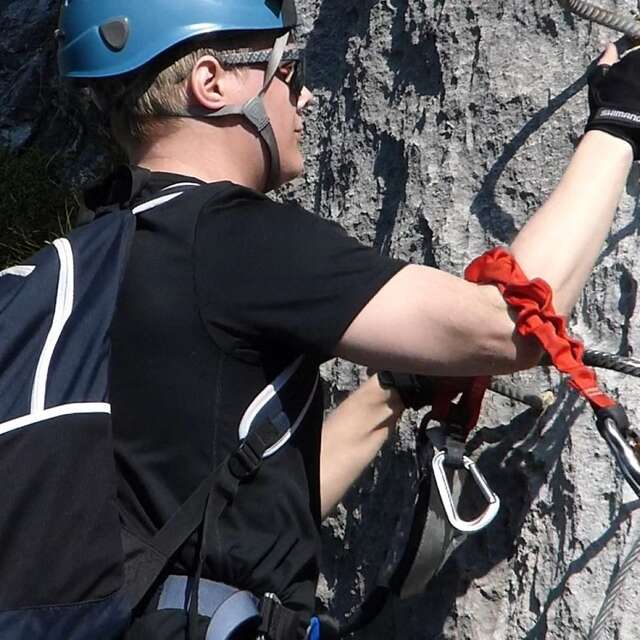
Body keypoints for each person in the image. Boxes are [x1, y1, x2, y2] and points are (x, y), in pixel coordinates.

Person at [57, 1, 640, 637]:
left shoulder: (97, 253)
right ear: (213, 82)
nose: (305, 101)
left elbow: (241, 508)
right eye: (289, 72)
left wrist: (393, 390)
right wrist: (617, 120)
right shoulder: (232, 241)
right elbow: (512, 322)